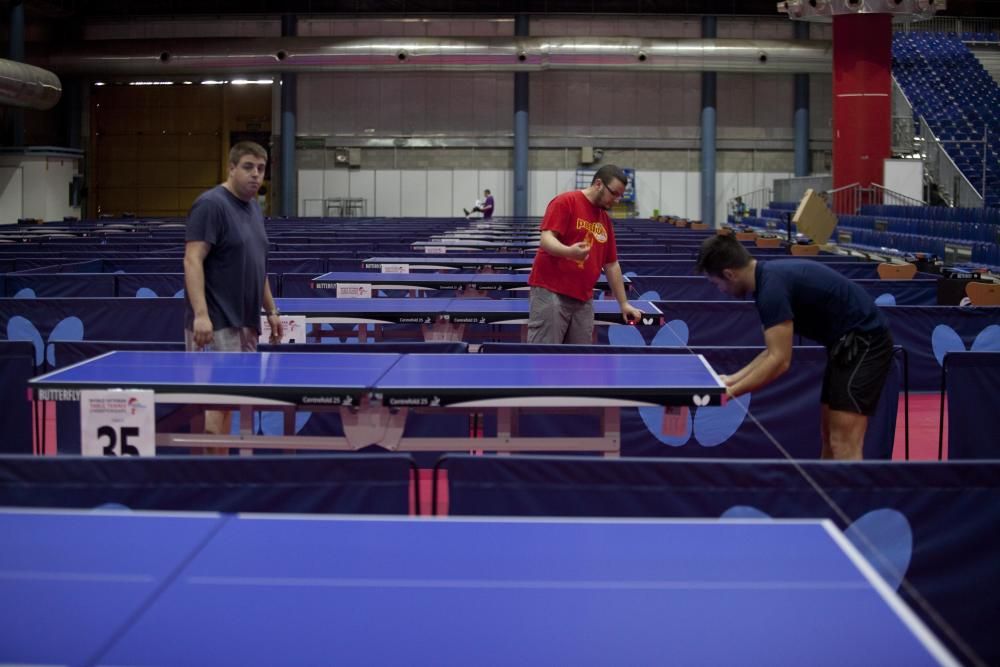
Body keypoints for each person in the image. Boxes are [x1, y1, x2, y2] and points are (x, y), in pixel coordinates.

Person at [695, 234, 894, 460]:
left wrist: (730, 393)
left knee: (843, 442)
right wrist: (731, 379)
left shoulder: (771, 289)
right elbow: (771, 353)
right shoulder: (767, 281)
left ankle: (846, 496)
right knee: (829, 436)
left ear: (729, 274)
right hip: (845, 345)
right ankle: (825, 493)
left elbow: (780, 362)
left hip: (866, 344)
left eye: (716, 283)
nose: (719, 290)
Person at [183, 140, 282, 442]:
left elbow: (257, 265)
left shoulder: (253, 208)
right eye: (248, 167)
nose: (255, 175)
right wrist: (201, 315)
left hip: (246, 323)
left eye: (261, 169)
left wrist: (272, 310)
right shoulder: (211, 205)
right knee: (215, 408)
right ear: (231, 168)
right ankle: (213, 484)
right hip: (217, 323)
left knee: (228, 405)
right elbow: (192, 259)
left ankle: (219, 475)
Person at [527, 165, 642, 344]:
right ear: (598, 184)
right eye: (614, 193)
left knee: (579, 363)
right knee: (545, 361)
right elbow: (546, 239)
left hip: (583, 299)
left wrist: (623, 304)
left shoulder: (604, 220)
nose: (617, 200)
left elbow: (611, 264)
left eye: (620, 195)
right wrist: (569, 252)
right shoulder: (565, 202)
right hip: (551, 293)